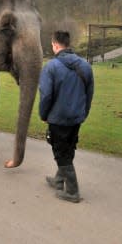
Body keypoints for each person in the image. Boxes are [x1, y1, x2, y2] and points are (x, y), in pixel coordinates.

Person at [39, 31, 94, 203]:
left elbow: (46, 95)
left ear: (55, 44)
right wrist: (84, 113)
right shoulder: (85, 65)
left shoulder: (51, 67)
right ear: (68, 44)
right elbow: (89, 93)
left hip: (58, 118)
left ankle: (72, 191)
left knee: (61, 152)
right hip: (77, 117)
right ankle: (58, 179)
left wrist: (44, 114)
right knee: (68, 148)